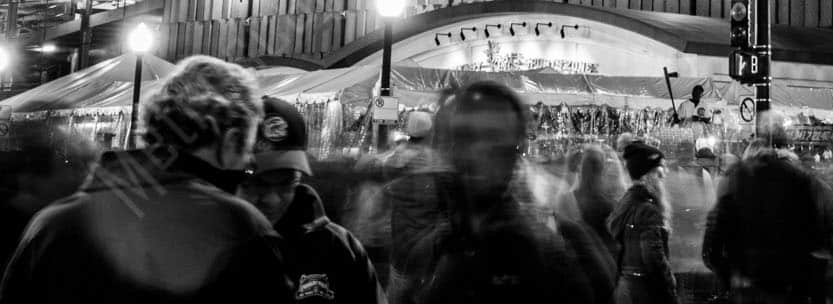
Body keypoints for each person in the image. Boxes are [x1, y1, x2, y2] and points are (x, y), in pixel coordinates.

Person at [0, 54, 294, 304]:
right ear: (229, 141)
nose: (247, 165)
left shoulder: (51, 226)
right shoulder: (241, 229)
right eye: (246, 151)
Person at [388, 80, 592, 304]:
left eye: (492, 138)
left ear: (515, 151)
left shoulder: (546, 257)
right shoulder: (433, 249)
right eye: (465, 137)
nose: (475, 153)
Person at [242, 96, 386, 304]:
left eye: (286, 182)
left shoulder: (339, 248)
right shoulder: (208, 245)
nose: (272, 199)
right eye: (257, 183)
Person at [703, 132, 833, 304]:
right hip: (782, 282)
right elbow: (814, 237)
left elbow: (714, 239)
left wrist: (729, 275)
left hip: (748, 280)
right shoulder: (800, 190)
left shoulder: (736, 187)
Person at [608, 142, 677, 304]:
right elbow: (654, 259)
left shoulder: (627, 202)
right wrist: (670, 290)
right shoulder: (648, 210)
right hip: (645, 292)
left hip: (626, 289)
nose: (665, 174)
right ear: (649, 175)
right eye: (660, 170)